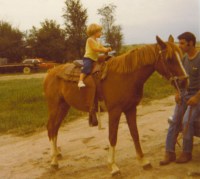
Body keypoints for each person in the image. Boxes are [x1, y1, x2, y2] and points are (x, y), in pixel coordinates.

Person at [160, 32, 200, 165]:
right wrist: (177, 92)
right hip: (185, 93)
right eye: (179, 42)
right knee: (174, 121)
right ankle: (169, 152)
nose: (180, 45)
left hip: (197, 96)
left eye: (182, 43)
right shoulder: (184, 59)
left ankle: (186, 152)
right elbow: (180, 80)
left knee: (186, 121)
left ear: (191, 43)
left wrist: (196, 97)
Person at [78, 23, 112, 88]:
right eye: (99, 32)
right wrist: (104, 50)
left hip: (95, 58)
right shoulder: (90, 40)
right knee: (87, 67)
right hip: (88, 58)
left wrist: (107, 49)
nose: (101, 33)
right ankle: (80, 81)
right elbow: (94, 49)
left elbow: (102, 47)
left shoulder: (98, 41)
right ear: (94, 32)